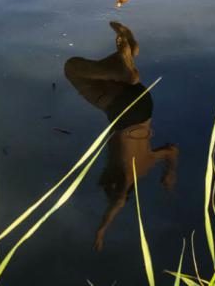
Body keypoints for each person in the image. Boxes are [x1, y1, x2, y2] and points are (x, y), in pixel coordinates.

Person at [63, 22, 179, 251]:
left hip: (145, 106)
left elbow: (172, 150)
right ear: (119, 188)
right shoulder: (126, 177)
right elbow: (118, 203)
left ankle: (127, 56)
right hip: (125, 113)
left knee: (107, 82)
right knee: (72, 69)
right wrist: (102, 230)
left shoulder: (147, 165)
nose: (106, 187)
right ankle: (121, 65)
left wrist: (169, 173)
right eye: (109, 189)